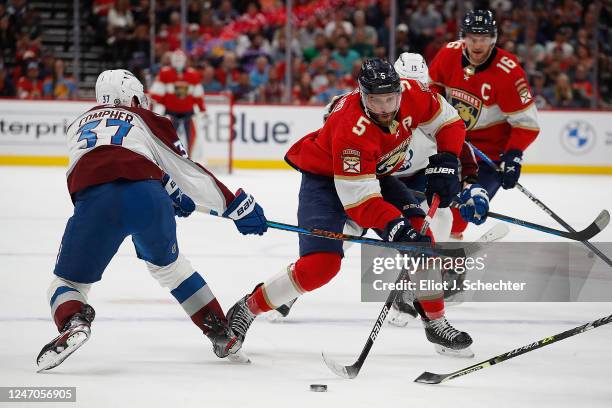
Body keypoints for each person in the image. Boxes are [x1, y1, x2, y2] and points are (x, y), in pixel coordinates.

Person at [227, 58, 475, 357]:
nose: (384, 108)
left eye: (389, 99)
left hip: (378, 173)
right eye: (374, 100)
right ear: (361, 94)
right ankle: (248, 307)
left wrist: (447, 159)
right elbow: (361, 202)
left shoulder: (413, 93)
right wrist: (397, 229)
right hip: (326, 182)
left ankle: (435, 322)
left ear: (399, 90)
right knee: (321, 266)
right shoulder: (350, 129)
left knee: (424, 242)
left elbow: (449, 121)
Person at [36, 69, 267, 372]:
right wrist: (235, 205)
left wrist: (172, 191)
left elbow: (109, 158)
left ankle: (75, 320)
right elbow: (184, 168)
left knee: (68, 282)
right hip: (147, 197)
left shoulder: (76, 124)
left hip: (95, 202)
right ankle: (221, 332)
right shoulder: (146, 119)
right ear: (131, 97)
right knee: (171, 268)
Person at [428, 10, 540, 240]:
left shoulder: (508, 71)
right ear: (463, 37)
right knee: (436, 206)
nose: (478, 45)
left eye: (484, 39)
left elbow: (526, 124)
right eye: (472, 38)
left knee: (461, 214)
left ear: (493, 39)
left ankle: (450, 261)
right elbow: (432, 91)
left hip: (487, 155)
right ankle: (435, 255)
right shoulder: (448, 54)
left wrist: (514, 155)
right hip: (451, 145)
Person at [150, 49, 206, 155]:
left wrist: (202, 109)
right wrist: (152, 106)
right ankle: (168, 156)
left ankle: (191, 157)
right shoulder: (165, 73)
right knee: (168, 137)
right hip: (170, 112)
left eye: (180, 59)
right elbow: (157, 92)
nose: (178, 62)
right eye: (176, 59)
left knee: (191, 137)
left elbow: (198, 94)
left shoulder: (193, 74)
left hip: (188, 112)